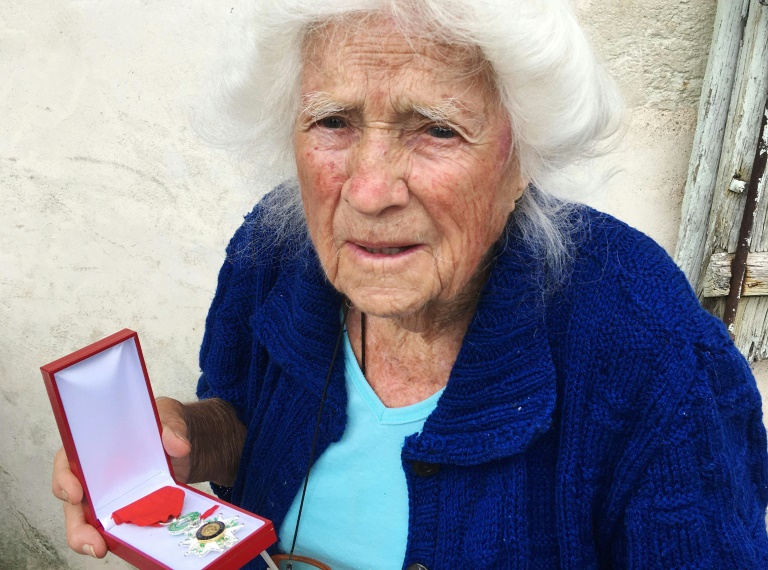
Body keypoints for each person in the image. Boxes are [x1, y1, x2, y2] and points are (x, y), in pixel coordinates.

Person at [52, 0, 768, 568]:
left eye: (436, 129)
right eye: (333, 121)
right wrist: (189, 438)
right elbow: (252, 420)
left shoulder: (652, 347)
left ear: (523, 153)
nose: (368, 190)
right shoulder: (271, 257)